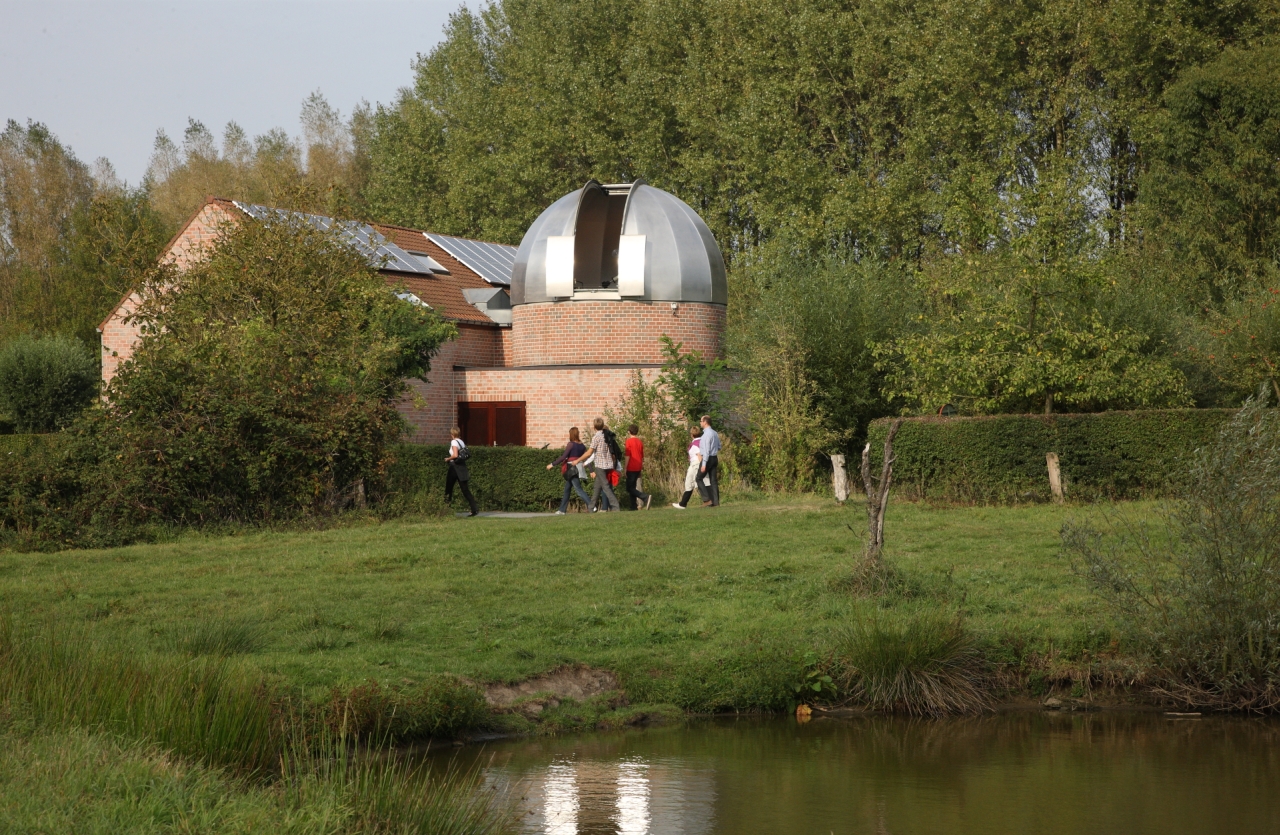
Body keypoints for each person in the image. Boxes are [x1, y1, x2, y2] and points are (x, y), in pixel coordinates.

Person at [576, 417, 620, 512]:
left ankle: (616, 507)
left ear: (594, 427)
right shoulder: (607, 435)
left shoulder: (596, 437)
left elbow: (589, 452)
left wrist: (578, 460)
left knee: (606, 487)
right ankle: (591, 508)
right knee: (597, 487)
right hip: (608, 464)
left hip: (600, 465)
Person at [547, 427, 590, 514]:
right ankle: (562, 510)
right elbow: (586, 458)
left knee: (578, 490)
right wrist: (591, 470)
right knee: (567, 489)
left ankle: (592, 506)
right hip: (578, 468)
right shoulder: (582, 445)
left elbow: (563, 457)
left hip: (572, 468)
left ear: (571, 434)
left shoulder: (571, 444)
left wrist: (552, 464)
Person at [444, 426, 479, 516]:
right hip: (462, 467)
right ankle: (474, 509)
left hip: (454, 467)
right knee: (465, 489)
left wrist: (448, 459)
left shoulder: (454, 441)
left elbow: (455, 455)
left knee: (448, 489)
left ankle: (446, 509)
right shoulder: (461, 442)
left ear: (452, 434)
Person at [672, 426, 709, 509]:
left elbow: (699, 455)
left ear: (691, 434)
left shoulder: (696, 444)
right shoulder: (700, 442)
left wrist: (703, 465)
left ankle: (707, 500)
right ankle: (683, 503)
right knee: (689, 483)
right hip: (693, 464)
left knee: (699, 483)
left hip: (696, 464)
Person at [624, 423, 652, 510]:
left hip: (631, 466)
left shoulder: (628, 441)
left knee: (629, 488)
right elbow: (641, 456)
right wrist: (641, 467)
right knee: (632, 487)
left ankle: (645, 497)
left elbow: (628, 455)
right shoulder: (640, 442)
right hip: (638, 466)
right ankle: (633, 506)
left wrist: (625, 467)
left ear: (629, 431)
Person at [699, 414, 721, 507]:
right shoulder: (715, 433)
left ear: (705, 422)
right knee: (713, 481)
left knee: (698, 478)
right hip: (714, 457)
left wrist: (704, 464)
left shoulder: (706, 435)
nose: (700, 423)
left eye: (701, 421)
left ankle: (706, 499)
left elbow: (706, 450)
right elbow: (719, 446)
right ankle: (716, 502)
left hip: (707, 458)